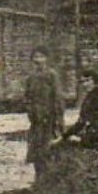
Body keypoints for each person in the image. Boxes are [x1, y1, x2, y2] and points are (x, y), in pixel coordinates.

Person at [23, 50, 65, 180]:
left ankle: (51, 179)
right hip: (36, 119)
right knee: (36, 148)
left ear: (46, 58)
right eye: (35, 56)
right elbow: (27, 97)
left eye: (41, 56)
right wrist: (30, 110)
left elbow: (57, 97)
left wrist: (59, 116)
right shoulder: (30, 77)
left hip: (50, 117)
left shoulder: (52, 75)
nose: (38, 59)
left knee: (49, 147)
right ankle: (38, 177)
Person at [62, 70, 98, 149]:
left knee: (73, 142)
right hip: (93, 133)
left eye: (88, 81)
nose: (85, 84)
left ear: (95, 82)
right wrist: (64, 136)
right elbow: (81, 122)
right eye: (83, 82)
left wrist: (82, 137)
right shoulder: (88, 98)